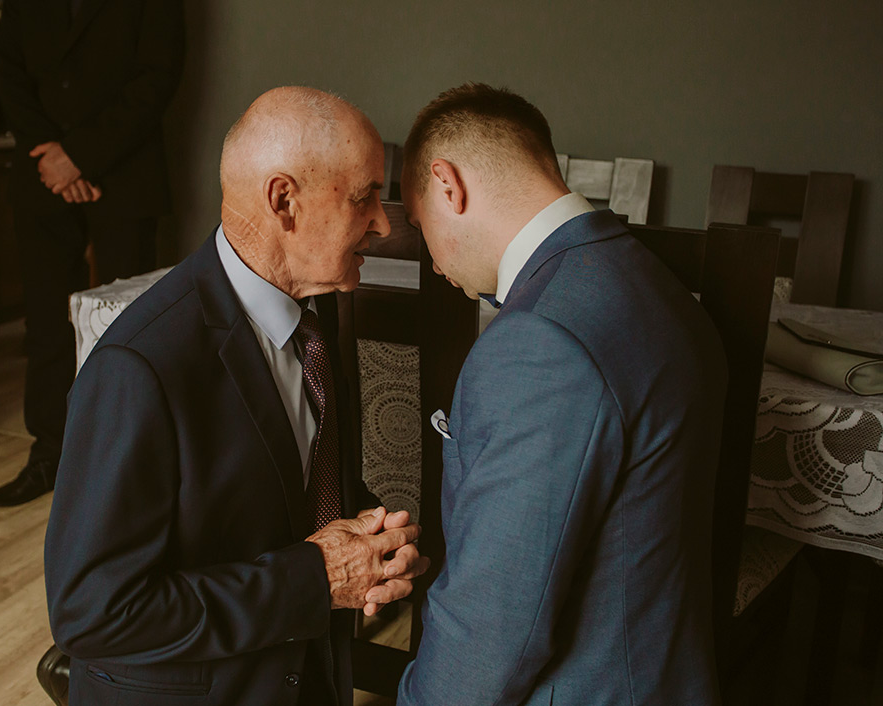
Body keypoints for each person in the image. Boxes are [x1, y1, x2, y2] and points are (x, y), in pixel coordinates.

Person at [44, 86, 429, 706]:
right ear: (284, 201)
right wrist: (317, 580)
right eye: (363, 198)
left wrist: (371, 540)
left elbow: (287, 483)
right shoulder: (136, 367)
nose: (384, 223)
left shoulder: (316, 308)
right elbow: (92, 612)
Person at [397, 83, 728, 705]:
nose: (434, 261)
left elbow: (489, 632)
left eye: (420, 225)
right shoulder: (655, 282)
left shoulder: (538, 340)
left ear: (447, 185)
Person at [0, 0, 185, 506]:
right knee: (46, 324)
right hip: (40, 177)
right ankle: (49, 455)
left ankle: (130, 467)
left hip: (126, 172)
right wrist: (50, 154)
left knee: (132, 330)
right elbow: (8, 69)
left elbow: (158, 75)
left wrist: (79, 157)